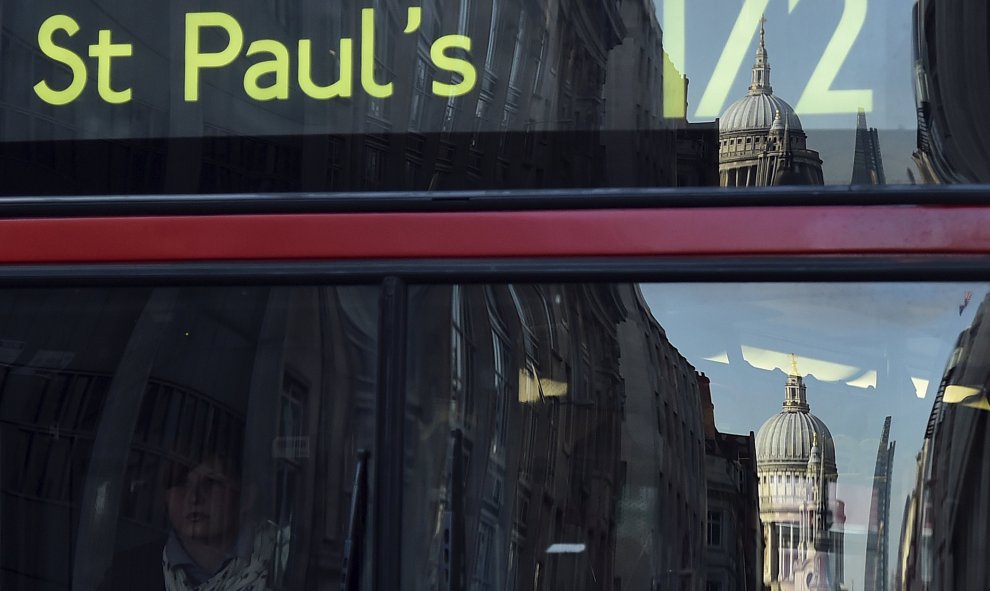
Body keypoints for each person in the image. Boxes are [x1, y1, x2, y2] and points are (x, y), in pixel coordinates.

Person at [99, 452, 277, 591]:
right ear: (165, 498)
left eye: (212, 482)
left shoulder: (282, 562)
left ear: (246, 497)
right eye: (180, 483)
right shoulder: (127, 572)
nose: (193, 497)